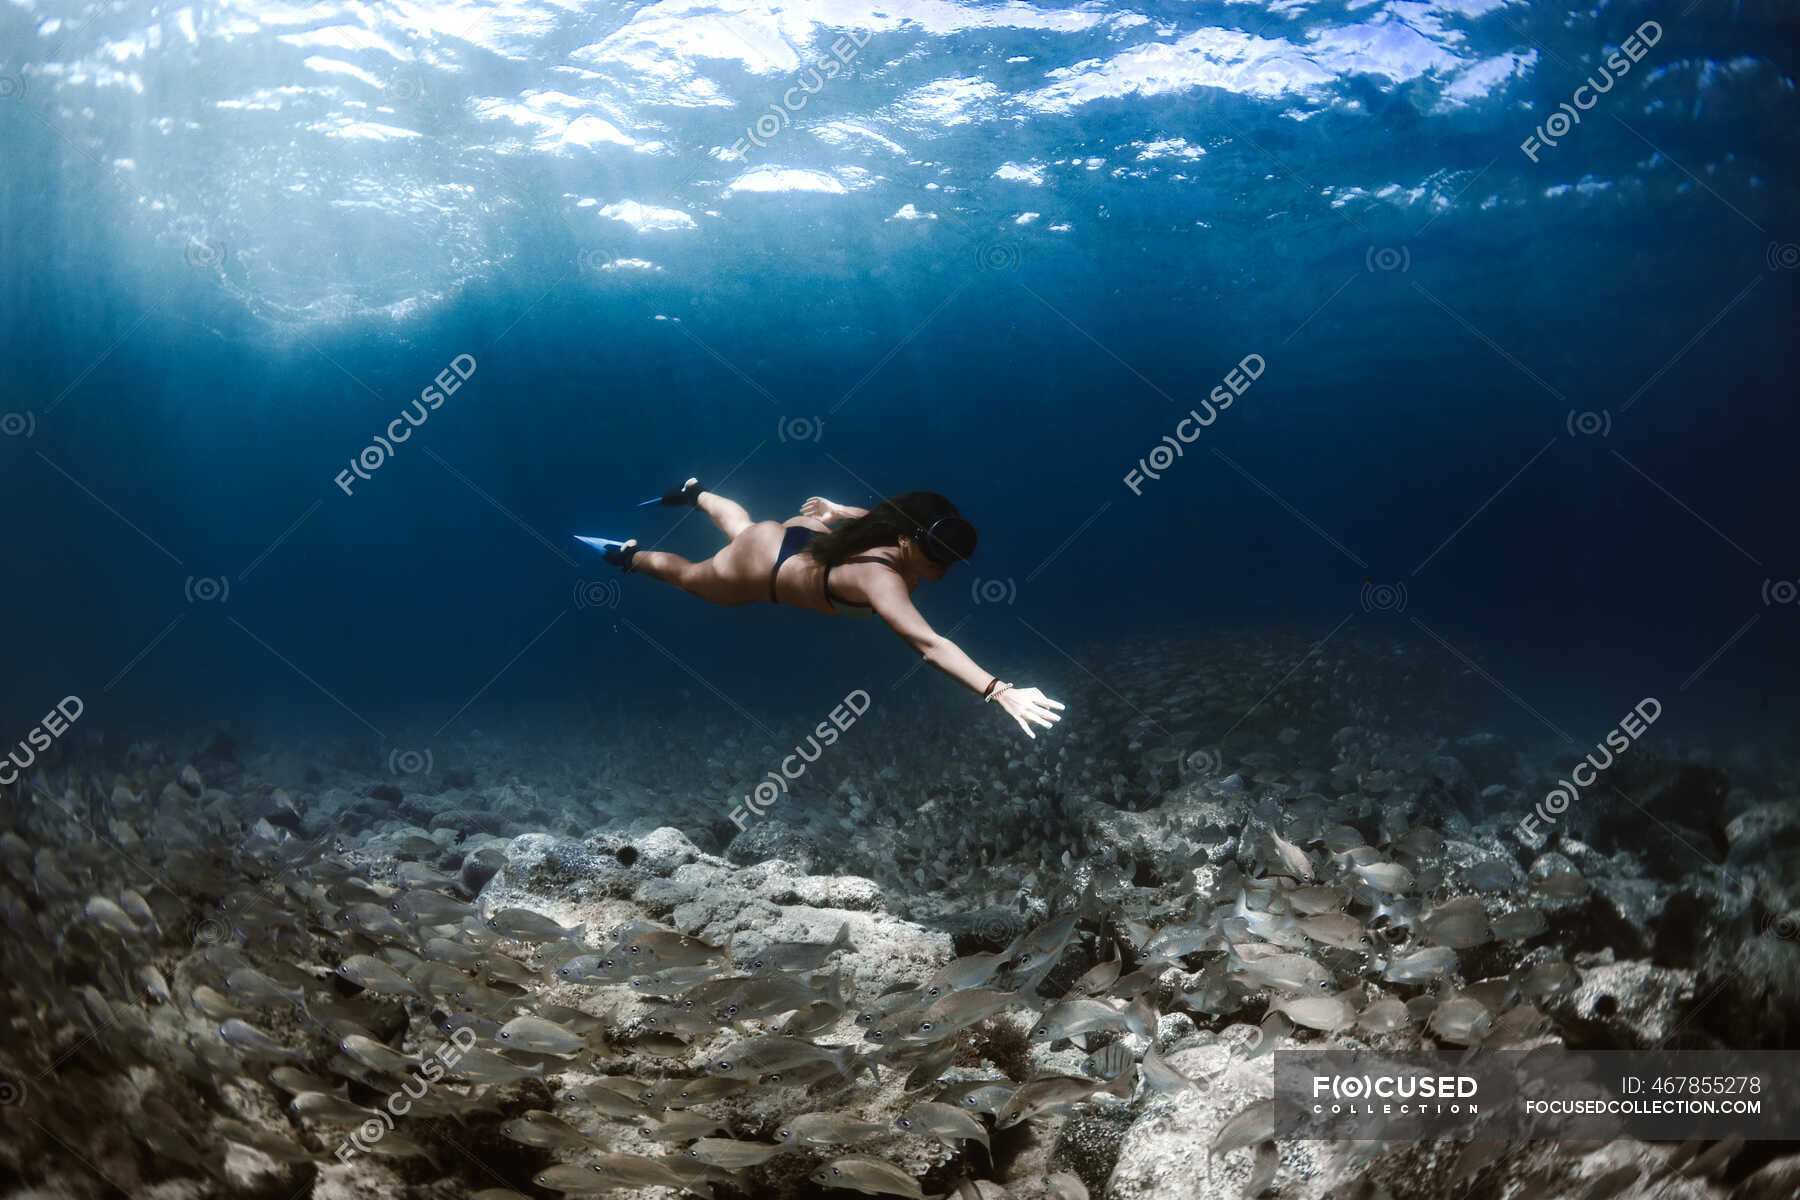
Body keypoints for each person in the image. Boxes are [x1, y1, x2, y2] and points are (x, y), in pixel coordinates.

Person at [578, 479, 1066, 738]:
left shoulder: (900, 528)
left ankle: (695, 492)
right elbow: (929, 644)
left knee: (743, 525)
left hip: (794, 535)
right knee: (690, 577)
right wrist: (997, 690)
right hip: (758, 572)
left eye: (953, 558)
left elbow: (875, 516)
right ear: (909, 542)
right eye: (939, 557)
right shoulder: (881, 578)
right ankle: (628, 555)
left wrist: (834, 512)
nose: (945, 567)